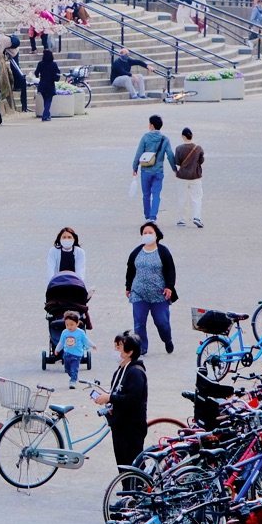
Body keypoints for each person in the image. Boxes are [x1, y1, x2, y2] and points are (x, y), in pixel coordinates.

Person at [93, 331, 148, 467]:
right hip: (120, 424)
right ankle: (127, 486)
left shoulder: (135, 372)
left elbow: (133, 399)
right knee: (122, 462)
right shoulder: (120, 370)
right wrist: (108, 400)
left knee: (132, 463)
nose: (115, 351)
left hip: (131, 425)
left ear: (129, 352)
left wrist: (110, 397)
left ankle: (137, 487)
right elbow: (118, 393)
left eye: (118, 348)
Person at [125, 222, 176, 356]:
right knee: (139, 323)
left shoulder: (163, 251)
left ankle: (167, 339)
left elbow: (171, 270)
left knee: (162, 322)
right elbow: (130, 269)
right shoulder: (136, 252)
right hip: (139, 293)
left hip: (159, 294)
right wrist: (128, 287)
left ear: (156, 235)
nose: (147, 235)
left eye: (150, 232)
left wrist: (170, 287)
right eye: (145, 233)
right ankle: (141, 346)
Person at [132, 114, 177, 222]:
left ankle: (147, 216)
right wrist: (174, 169)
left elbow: (138, 154)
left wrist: (135, 167)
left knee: (146, 195)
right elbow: (170, 155)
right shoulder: (165, 139)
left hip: (146, 170)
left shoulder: (145, 137)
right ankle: (153, 217)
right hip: (158, 170)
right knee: (156, 194)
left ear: (152, 125)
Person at [173, 127, 205, 229]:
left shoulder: (179, 148)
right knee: (196, 198)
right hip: (195, 176)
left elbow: (177, 162)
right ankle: (196, 217)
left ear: (183, 137)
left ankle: (182, 219)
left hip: (182, 177)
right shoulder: (198, 148)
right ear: (192, 136)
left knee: (182, 198)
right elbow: (201, 161)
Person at [53, 311, 92, 390]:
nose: (69, 327)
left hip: (77, 355)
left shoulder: (80, 332)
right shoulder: (65, 332)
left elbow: (86, 340)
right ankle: (74, 376)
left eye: (71, 324)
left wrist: (92, 345)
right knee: (67, 368)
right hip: (67, 354)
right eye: (67, 325)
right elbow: (61, 342)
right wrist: (57, 349)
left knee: (74, 368)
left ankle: (73, 381)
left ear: (77, 324)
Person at [3, 36, 28, 113]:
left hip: (13, 53)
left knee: (15, 69)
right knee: (15, 68)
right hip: (14, 52)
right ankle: (17, 85)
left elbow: (0, 52)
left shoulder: (2, 41)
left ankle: (17, 85)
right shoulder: (6, 40)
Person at [34, 48, 60, 122]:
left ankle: (47, 114)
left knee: (45, 100)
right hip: (50, 84)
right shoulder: (53, 64)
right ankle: (45, 115)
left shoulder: (40, 63)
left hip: (42, 84)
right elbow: (57, 74)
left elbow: (36, 73)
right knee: (48, 100)